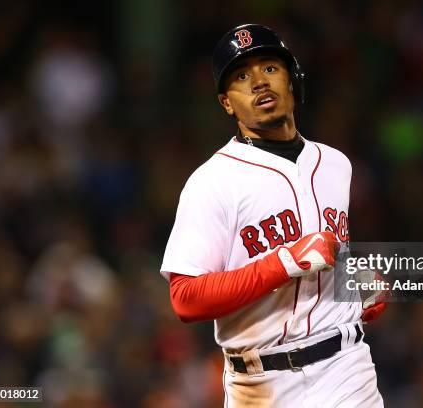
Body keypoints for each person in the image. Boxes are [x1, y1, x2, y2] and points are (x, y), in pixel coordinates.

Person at [160, 24, 386, 407]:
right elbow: (185, 299)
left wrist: (356, 285)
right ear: (226, 103)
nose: (258, 83)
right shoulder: (212, 181)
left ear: (292, 79)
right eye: (241, 76)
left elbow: (329, 255)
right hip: (262, 385)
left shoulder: (335, 164)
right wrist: (282, 264)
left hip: (348, 370)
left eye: (269, 68)